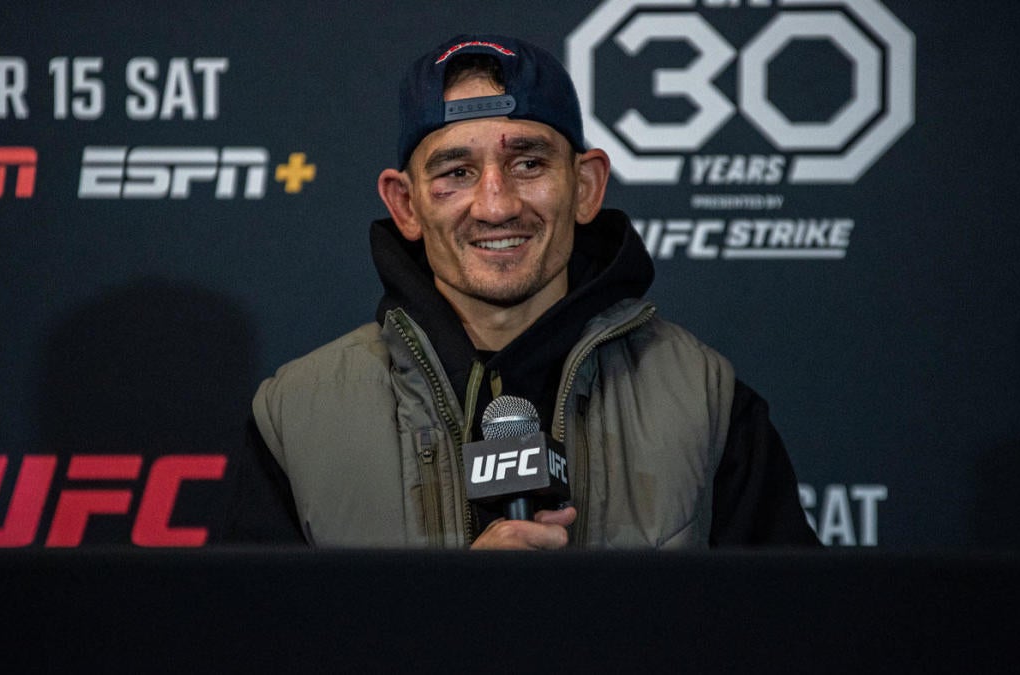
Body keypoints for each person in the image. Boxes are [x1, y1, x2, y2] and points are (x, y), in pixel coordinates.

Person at [240, 34, 820, 550]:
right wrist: (454, 609)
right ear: (406, 204)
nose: (497, 205)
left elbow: (788, 627)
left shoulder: (706, 401)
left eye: (528, 164)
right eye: (457, 172)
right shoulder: (297, 417)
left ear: (586, 186)